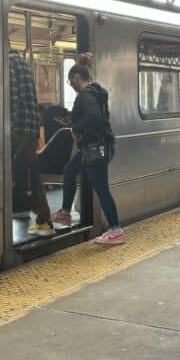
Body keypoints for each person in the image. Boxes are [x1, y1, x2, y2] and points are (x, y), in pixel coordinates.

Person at [51, 53, 124, 245]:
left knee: (101, 189)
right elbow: (95, 116)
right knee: (70, 170)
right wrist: (73, 121)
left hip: (95, 148)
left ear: (76, 78)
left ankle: (116, 230)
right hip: (95, 146)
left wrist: (76, 127)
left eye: (70, 81)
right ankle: (65, 212)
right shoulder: (97, 92)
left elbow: (93, 118)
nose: (71, 85)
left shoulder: (85, 95)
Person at [8, 47, 54, 237]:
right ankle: (44, 219)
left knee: (14, 174)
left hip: (18, 129)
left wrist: (9, 128)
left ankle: (23, 209)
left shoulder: (8, 62)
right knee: (32, 174)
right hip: (31, 128)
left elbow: (13, 98)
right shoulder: (22, 63)